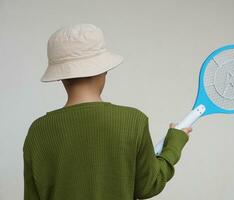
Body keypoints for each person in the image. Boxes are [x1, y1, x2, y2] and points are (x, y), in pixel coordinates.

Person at [23, 23, 192, 200]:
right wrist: (174, 143)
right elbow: (148, 186)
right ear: (103, 70)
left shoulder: (38, 131)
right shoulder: (133, 121)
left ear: (60, 76)